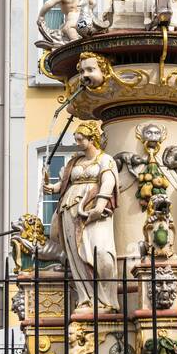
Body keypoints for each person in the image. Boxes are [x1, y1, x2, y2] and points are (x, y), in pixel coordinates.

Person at [39, 120, 119, 312]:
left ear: (92, 139)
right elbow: (64, 184)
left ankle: (106, 299)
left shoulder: (105, 159)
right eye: (76, 139)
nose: (77, 143)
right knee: (76, 255)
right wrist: (51, 187)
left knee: (99, 252)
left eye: (80, 139)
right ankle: (87, 298)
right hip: (69, 209)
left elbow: (108, 182)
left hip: (92, 210)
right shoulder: (75, 160)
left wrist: (99, 205)